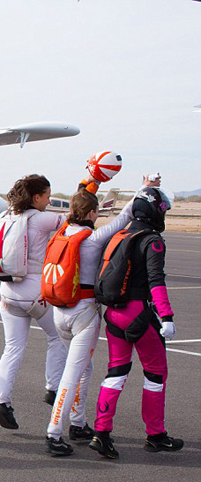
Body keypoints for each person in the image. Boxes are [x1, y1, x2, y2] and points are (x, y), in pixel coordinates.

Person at [90, 177, 183, 459]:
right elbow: (156, 281)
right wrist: (166, 316)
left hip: (114, 313)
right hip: (139, 314)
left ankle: (101, 433)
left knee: (116, 372)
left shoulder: (119, 235)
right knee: (156, 374)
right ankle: (156, 434)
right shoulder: (152, 241)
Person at [43, 184, 134, 456]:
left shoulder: (62, 233)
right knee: (72, 374)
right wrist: (144, 189)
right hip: (84, 312)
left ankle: (78, 423)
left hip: (59, 311)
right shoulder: (92, 239)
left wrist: (90, 183)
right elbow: (124, 218)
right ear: (93, 212)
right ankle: (54, 433)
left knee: (84, 368)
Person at [0, 174, 72, 430]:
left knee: (12, 348)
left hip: (8, 290)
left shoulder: (5, 216)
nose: (49, 202)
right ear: (36, 197)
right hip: (35, 291)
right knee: (57, 337)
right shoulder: (39, 218)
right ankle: (53, 388)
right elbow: (78, 218)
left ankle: (2, 402)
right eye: (47, 196)